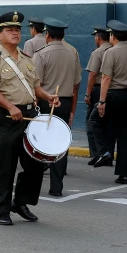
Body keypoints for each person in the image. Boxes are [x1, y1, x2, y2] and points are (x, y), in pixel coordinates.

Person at [0, 11, 60, 226]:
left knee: (35, 164)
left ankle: (20, 202)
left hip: (29, 116)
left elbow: (35, 87)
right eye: (9, 30)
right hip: (7, 117)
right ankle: (2, 210)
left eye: (17, 30)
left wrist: (47, 96)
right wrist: (9, 106)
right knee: (6, 165)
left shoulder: (25, 58)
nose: (15, 33)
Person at [32, 18, 81, 197]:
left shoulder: (41, 54)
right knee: (61, 144)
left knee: (41, 143)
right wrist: (73, 109)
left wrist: (36, 103)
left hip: (46, 101)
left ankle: (35, 184)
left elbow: (37, 84)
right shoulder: (72, 53)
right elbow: (76, 85)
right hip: (65, 101)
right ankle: (56, 186)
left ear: (47, 35)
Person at [91, 20, 127, 185]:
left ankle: (104, 151)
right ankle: (124, 175)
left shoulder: (110, 53)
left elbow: (106, 77)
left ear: (112, 36)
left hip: (114, 95)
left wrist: (102, 101)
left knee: (95, 121)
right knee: (126, 136)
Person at [84, 26, 112, 165]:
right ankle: (107, 154)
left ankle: (97, 153)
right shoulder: (113, 50)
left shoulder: (98, 52)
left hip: (98, 89)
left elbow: (92, 74)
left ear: (98, 38)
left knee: (91, 122)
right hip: (112, 90)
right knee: (107, 124)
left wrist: (88, 94)